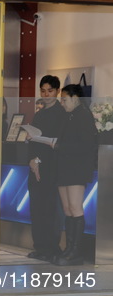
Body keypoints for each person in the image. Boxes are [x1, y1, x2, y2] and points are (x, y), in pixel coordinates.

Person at [53, 84, 97, 265]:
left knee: (75, 207)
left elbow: (87, 146)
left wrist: (60, 146)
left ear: (75, 98)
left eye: (64, 99)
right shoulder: (68, 116)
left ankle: (76, 251)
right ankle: (69, 247)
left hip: (77, 168)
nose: (62, 103)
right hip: (64, 167)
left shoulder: (83, 115)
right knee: (67, 209)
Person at [26, 75, 66, 263]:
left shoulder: (62, 113)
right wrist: (33, 159)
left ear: (57, 91)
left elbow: (59, 143)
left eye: (50, 91)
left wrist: (41, 158)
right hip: (35, 166)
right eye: (43, 91)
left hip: (51, 167)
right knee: (36, 207)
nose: (46, 94)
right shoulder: (39, 113)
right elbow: (33, 140)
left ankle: (51, 248)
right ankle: (40, 246)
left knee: (50, 209)